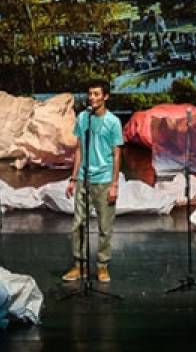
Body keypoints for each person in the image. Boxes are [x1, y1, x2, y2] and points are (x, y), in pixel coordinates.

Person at [62, 78, 124, 283]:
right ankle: (79, 265)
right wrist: (73, 178)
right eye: (90, 94)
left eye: (96, 94)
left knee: (105, 227)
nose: (92, 98)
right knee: (78, 224)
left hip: (104, 179)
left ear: (106, 96)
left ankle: (102, 265)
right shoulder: (83, 118)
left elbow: (117, 154)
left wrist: (114, 184)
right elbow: (79, 149)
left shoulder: (113, 122)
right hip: (83, 178)